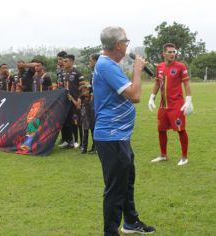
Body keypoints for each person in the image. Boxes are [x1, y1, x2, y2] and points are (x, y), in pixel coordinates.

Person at [93, 26, 155, 236]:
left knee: (127, 181)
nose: (128, 45)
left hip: (120, 135)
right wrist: (137, 70)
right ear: (118, 45)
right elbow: (135, 95)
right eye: (126, 42)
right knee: (115, 189)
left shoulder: (111, 65)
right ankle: (111, 232)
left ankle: (130, 221)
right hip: (111, 136)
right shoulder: (106, 65)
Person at [148, 43, 193, 166]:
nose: (172, 54)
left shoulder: (180, 66)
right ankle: (163, 155)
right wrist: (152, 97)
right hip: (163, 105)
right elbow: (157, 83)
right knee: (161, 130)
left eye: (174, 52)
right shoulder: (160, 67)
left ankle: (184, 157)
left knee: (181, 130)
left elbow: (186, 84)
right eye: (170, 52)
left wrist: (189, 100)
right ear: (164, 53)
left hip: (176, 105)